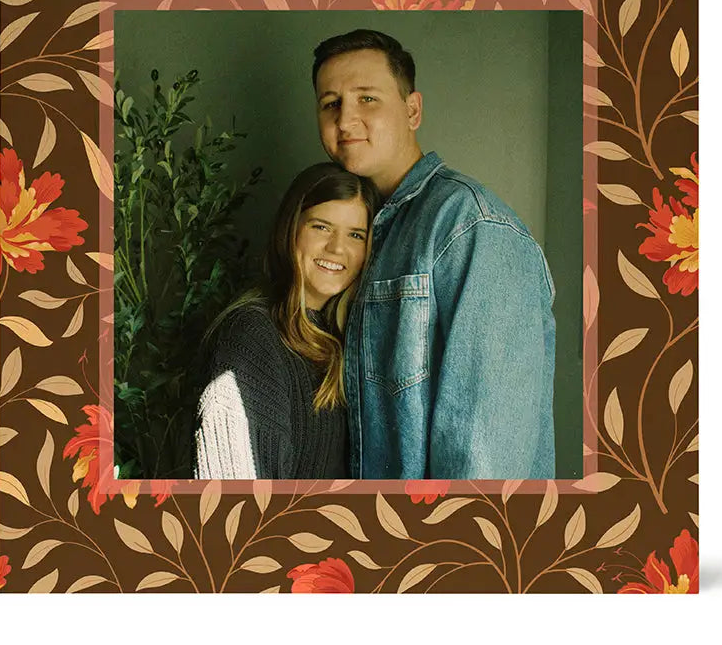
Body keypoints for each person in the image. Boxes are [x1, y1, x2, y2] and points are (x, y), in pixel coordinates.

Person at [312, 29, 556, 480]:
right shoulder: (358, 234)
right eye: (331, 103)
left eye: (367, 99)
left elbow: (485, 462)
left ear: (412, 110)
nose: (345, 121)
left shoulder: (471, 227)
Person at [192, 163, 379, 479]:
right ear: (290, 228)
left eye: (356, 235)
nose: (337, 247)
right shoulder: (251, 336)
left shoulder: (348, 339)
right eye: (321, 227)